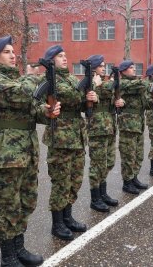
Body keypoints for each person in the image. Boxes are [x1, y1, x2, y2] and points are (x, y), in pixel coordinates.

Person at [0, 36, 60, 266]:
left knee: (26, 200)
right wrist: (40, 78)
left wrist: (48, 112)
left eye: (13, 51)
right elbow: (23, 93)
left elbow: (34, 109)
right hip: (6, 151)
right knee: (8, 203)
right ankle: (8, 256)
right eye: (6, 52)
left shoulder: (18, 80)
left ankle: (19, 248)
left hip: (27, 148)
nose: (12, 55)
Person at [40, 45, 97, 240]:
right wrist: (88, 88)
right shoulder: (49, 80)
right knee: (61, 182)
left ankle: (68, 217)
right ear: (50, 60)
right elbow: (71, 96)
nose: (64, 58)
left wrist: (91, 97)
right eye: (59, 56)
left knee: (74, 180)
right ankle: (57, 223)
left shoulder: (73, 78)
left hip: (77, 136)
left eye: (65, 55)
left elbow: (80, 102)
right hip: (60, 137)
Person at [84, 55, 124, 212]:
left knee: (108, 162)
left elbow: (112, 93)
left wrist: (120, 102)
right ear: (93, 68)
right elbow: (82, 98)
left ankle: (103, 193)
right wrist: (95, 85)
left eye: (104, 65)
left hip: (109, 127)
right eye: (101, 65)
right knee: (97, 164)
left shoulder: (105, 82)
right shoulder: (89, 83)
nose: (103, 68)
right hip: (97, 129)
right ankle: (95, 198)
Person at [117, 60, 149, 195]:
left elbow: (145, 100)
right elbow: (143, 84)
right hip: (128, 125)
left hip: (138, 123)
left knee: (138, 154)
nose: (134, 70)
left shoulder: (135, 83)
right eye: (131, 68)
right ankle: (127, 182)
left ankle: (134, 178)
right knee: (128, 155)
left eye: (134, 68)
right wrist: (145, 82)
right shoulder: (122, 83)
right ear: (123, 71)